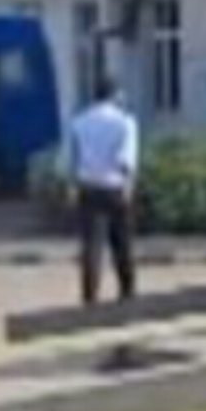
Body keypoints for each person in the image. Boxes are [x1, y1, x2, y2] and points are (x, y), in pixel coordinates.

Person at [68, 76, 140, 306]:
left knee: (91, 246)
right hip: (115, 187)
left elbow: (73, 158)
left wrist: (72, 186)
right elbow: (126, 160)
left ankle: (90, 296)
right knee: (122, 243)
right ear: (115, 94)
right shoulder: (125, 122)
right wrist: (129, 187)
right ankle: (127, 292)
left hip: (88, 187)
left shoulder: (79, 121)